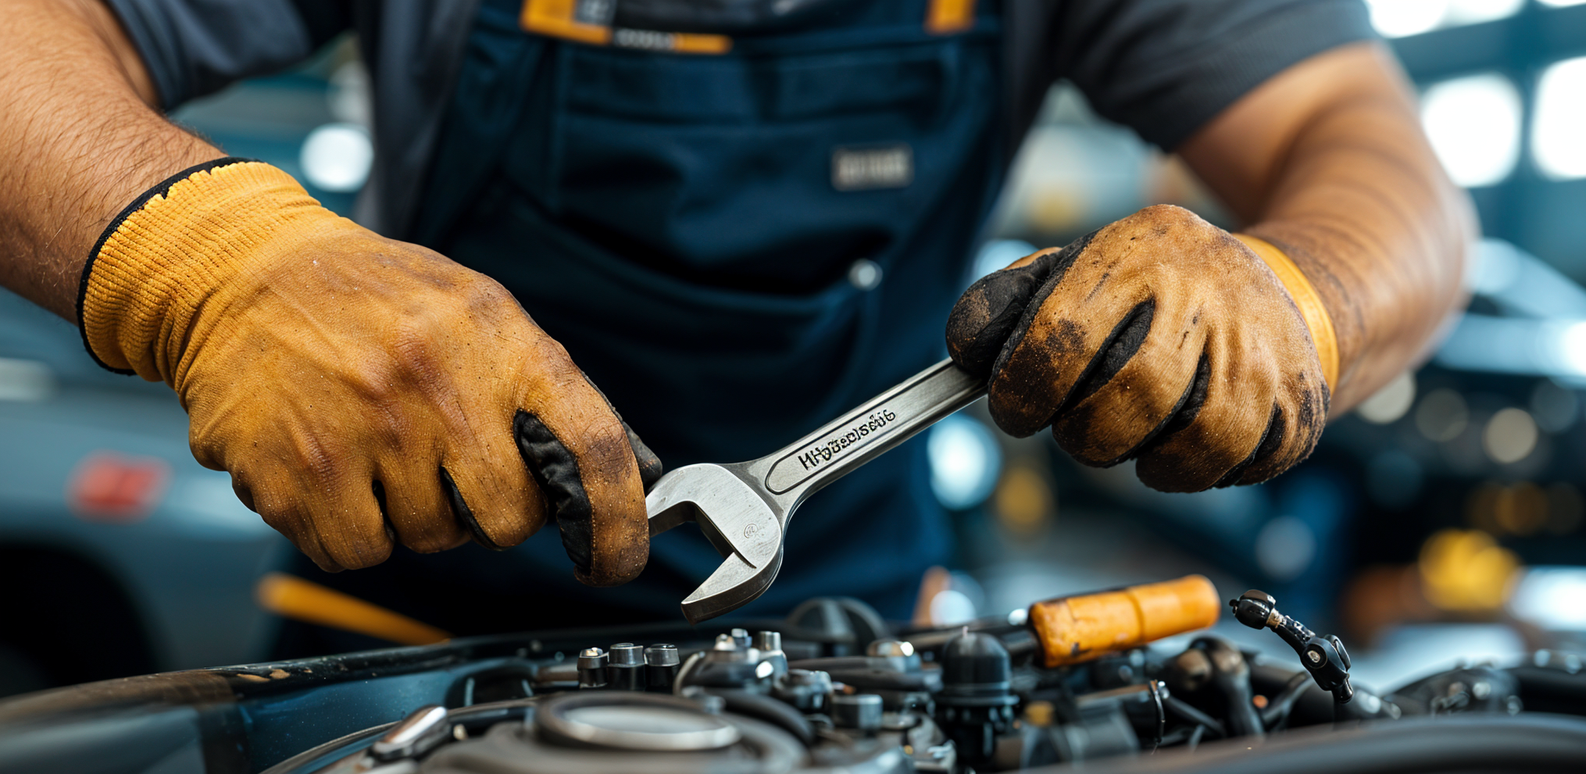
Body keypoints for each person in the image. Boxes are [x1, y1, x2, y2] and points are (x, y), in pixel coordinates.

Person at [0, 0, 1472, 646]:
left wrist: (1300, 287)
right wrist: (211, 254)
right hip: (386, 639)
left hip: (855, 645)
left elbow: (1374, 154)